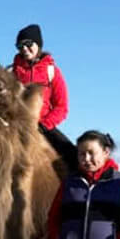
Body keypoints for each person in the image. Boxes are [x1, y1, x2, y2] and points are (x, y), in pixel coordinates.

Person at [10, 24, 74, 164]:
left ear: (38, 44)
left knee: (74, 156)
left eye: (28, 44)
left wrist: (44, 125)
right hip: (16, 126)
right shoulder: (11, 73)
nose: (24, 49)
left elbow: (61, 107)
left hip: (43, 126)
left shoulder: (52, 72)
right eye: (20, 46)